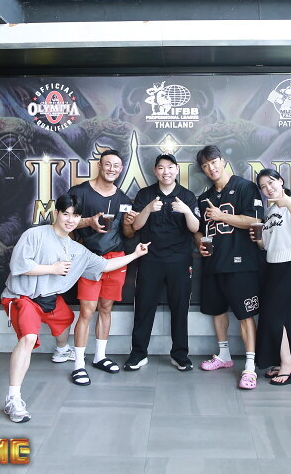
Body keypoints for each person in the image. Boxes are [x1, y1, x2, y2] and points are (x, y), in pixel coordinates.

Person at [0, 193, 149, 423]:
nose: (70, 220)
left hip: (48, 298)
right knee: (29, 338)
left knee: (65, 318)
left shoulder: (76, 249)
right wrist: (52, 269)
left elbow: (106, 265)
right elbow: (19, 265)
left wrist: (135, 254)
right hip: (22, 297)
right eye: (66, 214)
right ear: (56, 213)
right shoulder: (35, 234)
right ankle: (13, 399)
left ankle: (62, 350)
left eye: (75, 215)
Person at [194, 145, 263, 390]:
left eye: (213, 162)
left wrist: (222, 216)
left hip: (241, 263)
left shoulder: (245, 187)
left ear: (222, 161)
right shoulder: (204, 198)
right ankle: (223, 355)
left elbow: (255, 220)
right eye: (205, 165)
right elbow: (199, 230)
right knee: (217, 311)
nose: (211, 168)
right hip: (214, 264)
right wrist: (200, 243)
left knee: (245, 315)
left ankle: (250, 366)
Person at [125, 154, 201, 372]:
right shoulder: (145, 194)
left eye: (170, 167)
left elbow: (195, 228)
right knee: (144, 307)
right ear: (155, 171)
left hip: (180, 259)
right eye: (161, 168)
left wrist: (186, 211)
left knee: (180, 308)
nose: (166, 172)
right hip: (150, 258)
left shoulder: (187, 195)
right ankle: (138, 354)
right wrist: (148, 209)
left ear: (176, 169)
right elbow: (136, 227)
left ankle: (180, 355)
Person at [67, 149, 135, 385]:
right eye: (108, 164)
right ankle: (78, 364)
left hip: (115, 259)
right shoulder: (79, 192)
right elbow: (64, 221)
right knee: (87, 311)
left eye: (116, 165)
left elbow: (127, 234)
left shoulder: (123, 199)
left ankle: (100, 356)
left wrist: (130, 224)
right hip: (89, 258)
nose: (112, 169)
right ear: (99, 165)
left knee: (106, 309)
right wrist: (88, 222)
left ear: (121, 169)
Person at [251, 168, 291, 385]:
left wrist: (286, 201)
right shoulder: (270, 212)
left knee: (272, 315)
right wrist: (257, 238)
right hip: (273, 267)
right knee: (283, 317)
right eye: (263, 186)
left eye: (271, 183)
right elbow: (267, 245)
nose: (268, 188)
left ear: (280, 181)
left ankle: (288, 362)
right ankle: (283, 361)